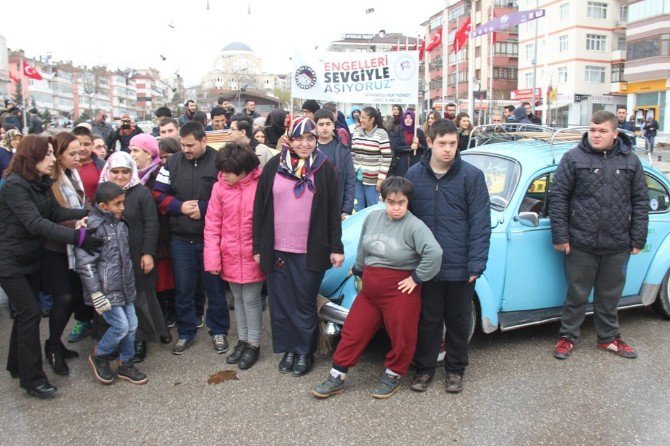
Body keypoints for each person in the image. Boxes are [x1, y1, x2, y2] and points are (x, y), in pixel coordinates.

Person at [312, 177, 442, 399]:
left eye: (401, 202)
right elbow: (364, 245)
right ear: (384, 201)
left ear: (407, 202)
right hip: (371, 290)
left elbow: (435, 253)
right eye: (391, 202)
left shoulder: (415, 226)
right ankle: (337, 375)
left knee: (402, 335)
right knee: (353, 331)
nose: (396, 207)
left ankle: (394, 374)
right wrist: (359, 269)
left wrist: (416, 278)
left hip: (400, 291)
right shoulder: (372, 217)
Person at [0, 135, 96, 398]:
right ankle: (33, 380)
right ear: (32, 157)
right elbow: (37, 224)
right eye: (49, 155)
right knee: (30, 313)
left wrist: (91, 212)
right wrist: (79, 237)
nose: (54, 159)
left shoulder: (37, 183)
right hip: (9, 261)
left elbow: (55, 213)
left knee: (24, 314)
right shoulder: (15, 186)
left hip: (28, 258)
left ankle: (15, 365)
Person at [550, 111, 649, 360]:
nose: (596, 135)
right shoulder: (573, 157)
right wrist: (561, 236)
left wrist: (637, 238)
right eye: (593, 129)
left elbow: (640, 200)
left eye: (602, 131)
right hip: (580, 241)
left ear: (615, 133)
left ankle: (608, 339)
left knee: (609, 296)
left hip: (617, 243)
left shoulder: (630, 161)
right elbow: (558, 197)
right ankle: (567, 338)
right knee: (576, 294)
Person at [252, 116, 344, 376]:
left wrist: (336, 247)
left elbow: (332, 211)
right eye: (299, 138)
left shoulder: (324, 168)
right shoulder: (273, 166)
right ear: (289, 139)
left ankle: (305, 351)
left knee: (303, 303)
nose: (305, 144)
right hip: (277, 248)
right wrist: (258, 247)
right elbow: (260, 209)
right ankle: (289, 349)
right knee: (281, 302)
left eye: (310, 138)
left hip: (310, 250)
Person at [406, 119, 491, 394]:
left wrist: (476, 263)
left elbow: (480, 222)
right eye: (442, 143)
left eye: (453, 144)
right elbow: (405, 221)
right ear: (429, 142)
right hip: (427, 265)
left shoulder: (471, 176)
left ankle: (455, 370)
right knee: (428, 320)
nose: (448, 149)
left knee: (458, 320)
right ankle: (424, 369)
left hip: (460, 264)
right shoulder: (413, 176)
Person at [152, 122, 231, 355]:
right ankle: (186, 332)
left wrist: (204, 208)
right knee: (184, 289)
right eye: (182, 145)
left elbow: (227, 193)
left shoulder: (219, 162)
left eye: (190, 145)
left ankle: (219, 331)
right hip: (181, 238)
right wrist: (179, 207)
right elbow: (158, 192)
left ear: (204, 141)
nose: (185, 149)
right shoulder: (172, 163)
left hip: (211, 239)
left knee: (215, 288)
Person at [76, 181, 148, 385]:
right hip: (105, 290)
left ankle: (126, 363)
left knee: (132, 325)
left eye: (123, 203)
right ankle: (100, 354)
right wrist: (96, 293)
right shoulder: (92, 227)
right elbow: (85, 264)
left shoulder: (120, 223)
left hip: (124, 286)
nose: (122, 208)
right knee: (120, 326)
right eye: (117, 204)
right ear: (103, 205)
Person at [99, 151, 167, 362]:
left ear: (132, 172)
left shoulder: (141, 193)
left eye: (125, 172)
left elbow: (151, 224)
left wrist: (148, 252)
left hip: (136, 255)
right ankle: (116, 340)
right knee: (114, 301)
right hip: (110, 258)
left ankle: (140, 340)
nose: (120, 176)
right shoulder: (102, 192)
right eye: (115, 172)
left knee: (139, 300)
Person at [204, 143, 264, 370]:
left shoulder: (259, 186)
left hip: (252, 255)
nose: (224, 175)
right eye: (223, 170)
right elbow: (212, 225)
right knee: (237, 299)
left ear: (244, 170)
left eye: (229, 171)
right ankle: (243, 340)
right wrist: (212, 259)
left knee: (251, 299)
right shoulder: (220, 188)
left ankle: (254, 343)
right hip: (228, 253)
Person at [41, 132, 87, 376]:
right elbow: (53, 216)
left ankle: (55, 342)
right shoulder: (50, 181)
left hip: (72, 246)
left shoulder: (72, 175)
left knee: (72, 298)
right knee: (64, 297)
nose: (78, 158)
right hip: (54, 248)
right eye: (72, 154)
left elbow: (79, 206)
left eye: (80, 152)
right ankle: (53, 347)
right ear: (57, 155)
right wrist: (79, 227)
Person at [66, 126, 104, 343]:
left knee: (97, 274)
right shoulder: (67, 169)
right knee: (79, 276)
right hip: (75, 225)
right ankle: (82, 319)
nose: (82, 149)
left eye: (86, 144)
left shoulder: (101, 165)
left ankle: (99, 318)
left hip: (98, 222)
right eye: (77, 145)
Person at [314, 108, 355, 218]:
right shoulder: (309, 148)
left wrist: (346, 209)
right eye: (321, 124)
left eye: (328, 123)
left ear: (333, 125)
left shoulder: (342, 149)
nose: (325, 127)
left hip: (336, 204)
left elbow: (350, 179)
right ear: (315, 126)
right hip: (313, 205)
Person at [351, 107, 391, 212]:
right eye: (361, 117)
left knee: (373, 209)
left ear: (372, 119)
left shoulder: (381, 133)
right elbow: (352, 153)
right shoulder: (357, 132)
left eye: (364, 117)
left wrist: (381, 179)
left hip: (373, 180)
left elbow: (387, 157)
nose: (361, 120)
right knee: (357, 209)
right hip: (356, 179)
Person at [390, 109, 427, 177]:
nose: (408, 120)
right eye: (406, 118)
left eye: (410, 118)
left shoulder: (419, 132)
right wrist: (410, 148)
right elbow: (395, 147)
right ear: (403, 119)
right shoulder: (399, 131)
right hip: (401, 164)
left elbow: (425, 149)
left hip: (416, 162)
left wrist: (418, 145)